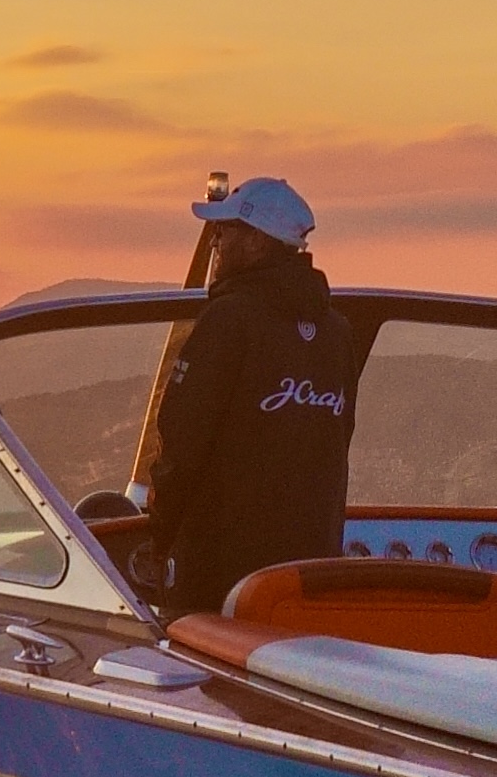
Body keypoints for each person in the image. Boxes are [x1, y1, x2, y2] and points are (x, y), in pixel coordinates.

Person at [123, 171, 360, 611]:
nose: (216, 241)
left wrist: (161, 532)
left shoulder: (227, 321)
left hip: (219, 573)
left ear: (257, 242)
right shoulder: (337, 332)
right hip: (306, 574)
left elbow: (181, 437)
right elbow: (338, 439)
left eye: (226, 229)